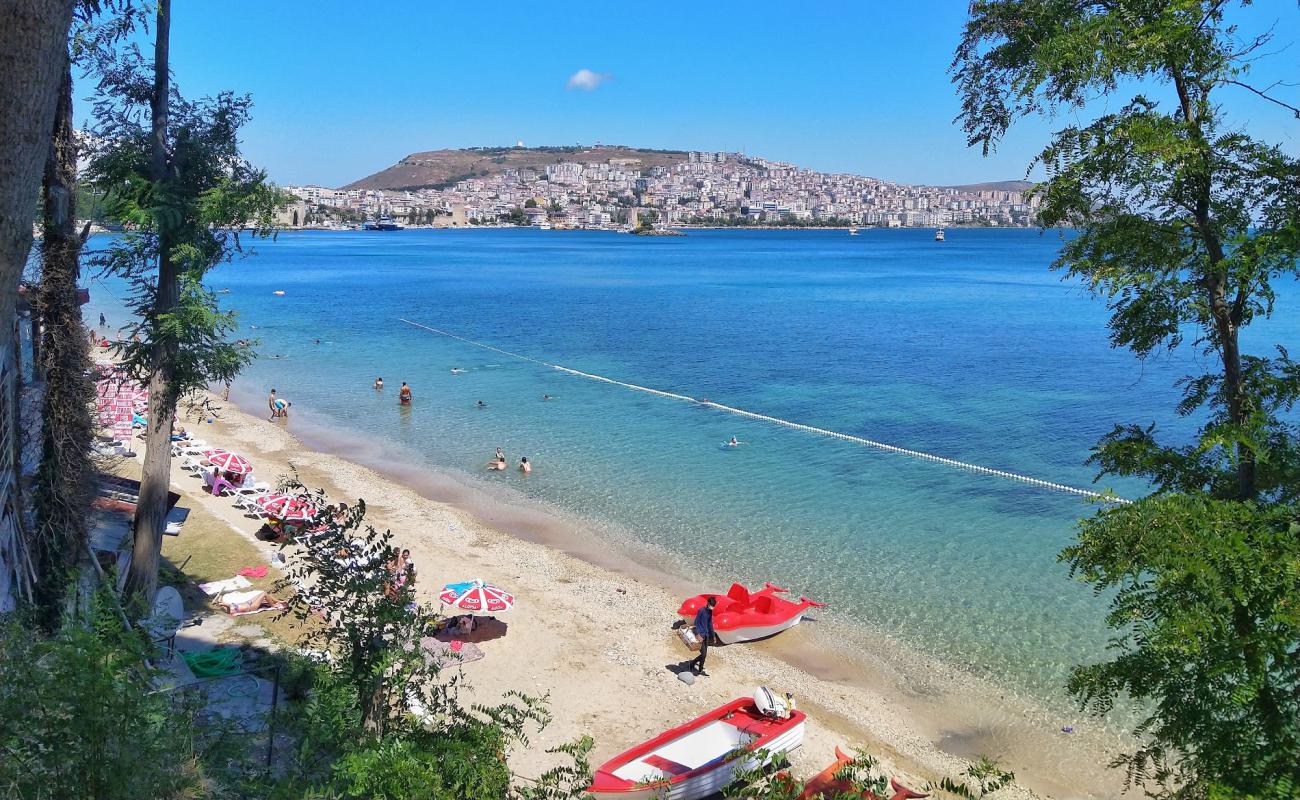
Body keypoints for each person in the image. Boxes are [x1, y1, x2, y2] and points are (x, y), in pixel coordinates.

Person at [689, 596, 717, 676]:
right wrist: (697, 634)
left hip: (706, 635)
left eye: (713, 606)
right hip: (700, 635)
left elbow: (710, 623)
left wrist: (713, 635)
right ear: (708, 603)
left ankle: (698, 668)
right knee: (703, 654)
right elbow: (696, 622)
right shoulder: (701, 610)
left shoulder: (709, 612)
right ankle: (696, 666)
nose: (712, 608)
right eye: (711, 605)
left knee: (704, 655)